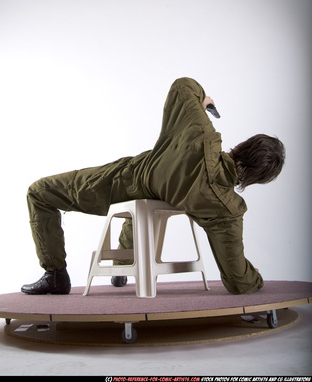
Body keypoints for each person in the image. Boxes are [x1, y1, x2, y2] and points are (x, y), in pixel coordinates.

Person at [21, 77, 285, 296]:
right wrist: (255, 278)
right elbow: (239, 279)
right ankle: (123, 266)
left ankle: (55, 274)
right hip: (156, 194)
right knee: (145, 200)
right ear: (257, 179)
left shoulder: (202, 135)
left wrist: (204, 102)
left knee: (39, 193)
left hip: (122, 181)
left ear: (243, 146)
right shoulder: (228, 211)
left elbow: (183, 85)